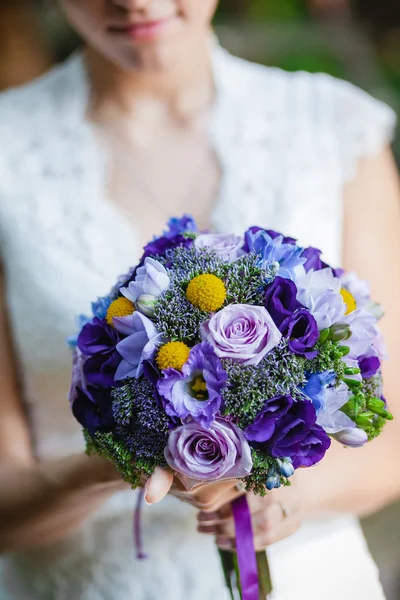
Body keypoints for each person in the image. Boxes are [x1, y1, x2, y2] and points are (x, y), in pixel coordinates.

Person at [0, 1, 399, 599]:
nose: (136, 1)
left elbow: (389, 440)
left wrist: (287, 497)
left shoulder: (332, 124)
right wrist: (124, 455)